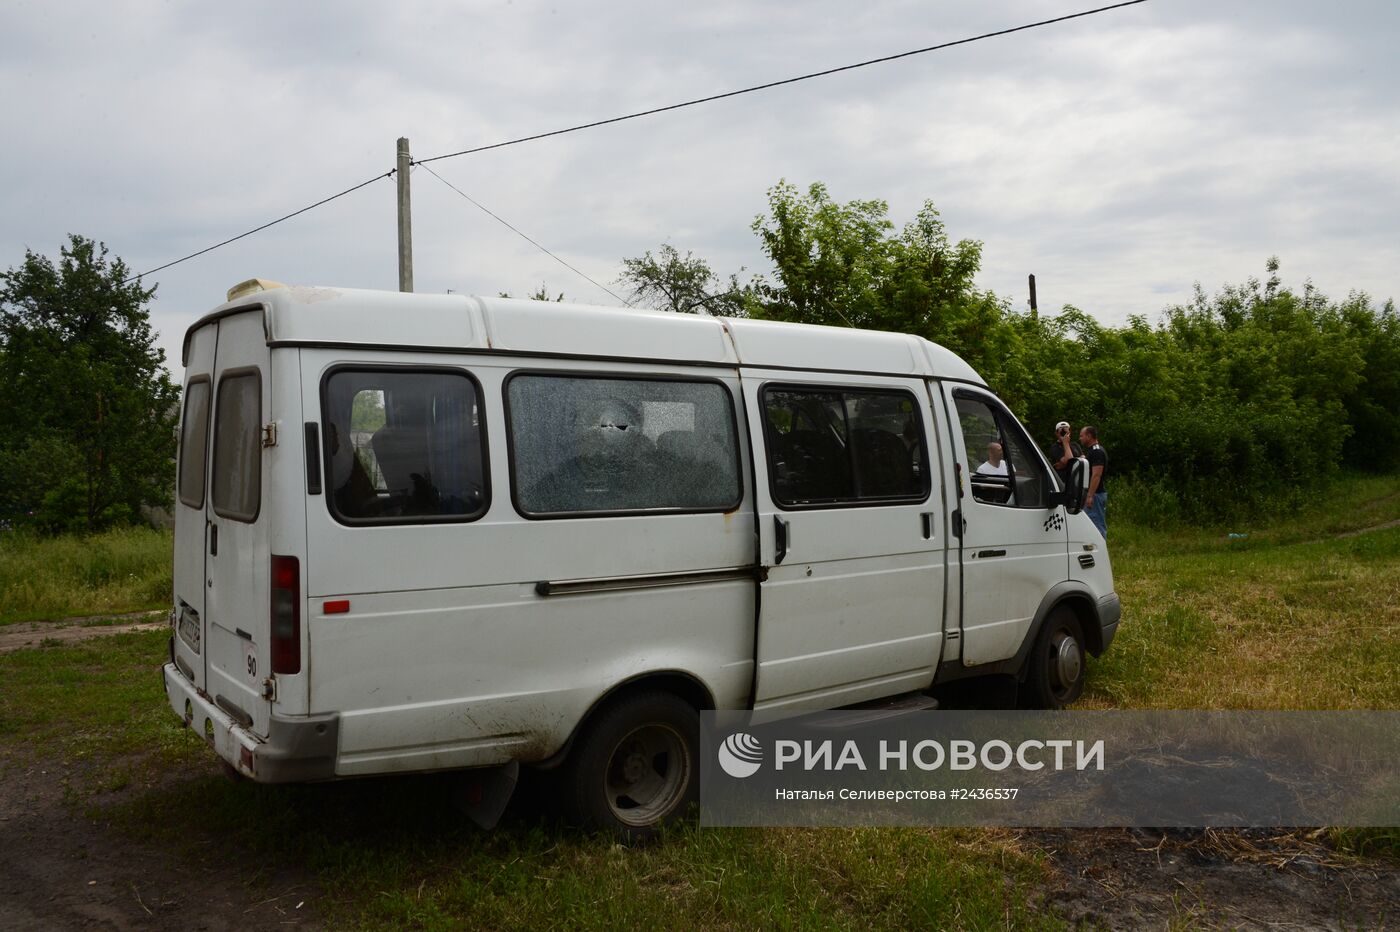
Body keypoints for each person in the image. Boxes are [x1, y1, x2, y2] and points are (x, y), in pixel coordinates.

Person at [1080, 425, 1108, 537]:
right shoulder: (1092, 451)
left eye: (1081, 436)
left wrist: (1090, 495)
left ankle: (1101, 550)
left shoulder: (1097, 452)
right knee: (1090, 524)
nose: (1080, 438)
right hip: (1093, 494)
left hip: (1095, 495)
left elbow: (1096, 475)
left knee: (1097, 525)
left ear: (1089, 436)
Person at [1045, 420, 1082, 484]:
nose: (1064, 433)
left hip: (1076, 481)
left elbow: (1083, 459)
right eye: (1061, 432)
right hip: (1063, 482)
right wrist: (1065, 443)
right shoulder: (1055, 447)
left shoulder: (1075, 445)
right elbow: (1069, 462)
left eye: (1066, 431)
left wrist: (1063, 465)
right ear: (1056, 433)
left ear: (1070, 432)